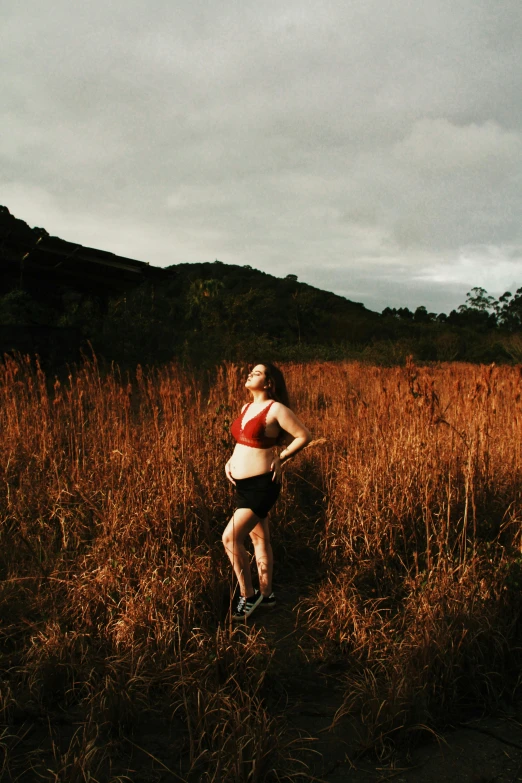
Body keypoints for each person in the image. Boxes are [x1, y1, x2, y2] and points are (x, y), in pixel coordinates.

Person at [223, 363, 311, 620]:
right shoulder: (246, 407)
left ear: (269, 382)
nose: (250, 374)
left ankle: (248, 596)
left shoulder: (277, 409)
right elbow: (242, 443)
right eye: (250, 371)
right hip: (243, 484)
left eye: (257, 372)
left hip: (263, 485)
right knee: (259, 539)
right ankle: (267, 593)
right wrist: (231, 460)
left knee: (229, 538)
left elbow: (303, 436)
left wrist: (281, 458)